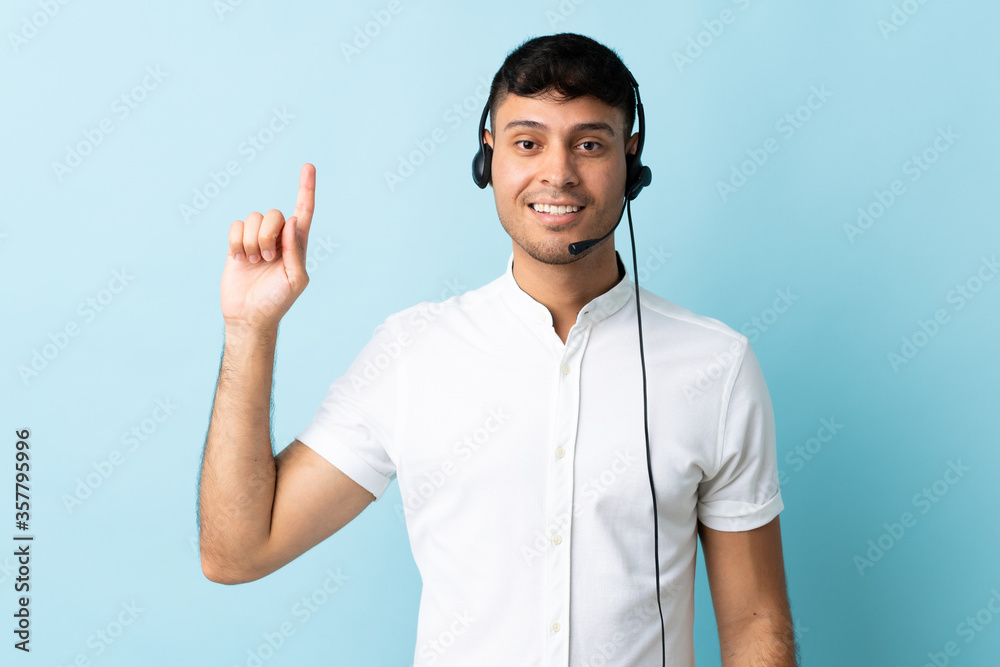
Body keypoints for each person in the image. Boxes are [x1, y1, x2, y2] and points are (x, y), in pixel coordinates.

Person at [198, 32, 797, 666]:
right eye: (528, 143)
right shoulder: (411, 353)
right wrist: (249, 332)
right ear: (490, 160)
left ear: (632, 159)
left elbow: (756, 620)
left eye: (589, 144)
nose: (558, 172)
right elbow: (238, 551)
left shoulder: (717, 367)